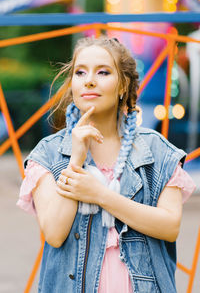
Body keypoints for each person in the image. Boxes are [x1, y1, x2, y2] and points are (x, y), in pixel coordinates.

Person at [17, 36, 196, 293]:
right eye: (80, 72)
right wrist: (76, 160)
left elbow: (169, 226)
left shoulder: (157, 150)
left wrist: (101, 195)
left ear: (123, 85)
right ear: (72, 85)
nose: (89, 80)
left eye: (103, 72)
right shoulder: (47, 154)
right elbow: (55, 233)